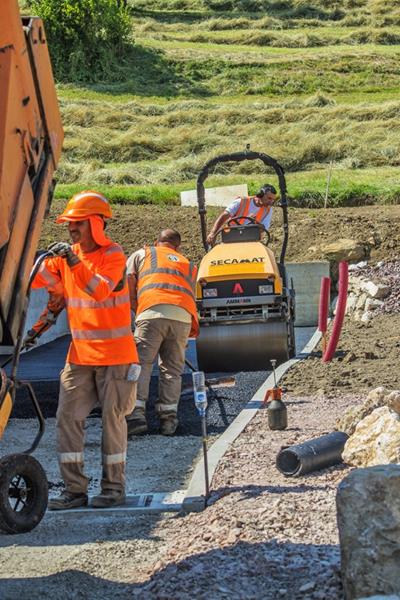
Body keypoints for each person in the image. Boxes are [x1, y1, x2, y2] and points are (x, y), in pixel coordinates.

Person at [32, 190, 140, 510]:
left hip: (116, 358)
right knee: (67, 418)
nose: (71, 230)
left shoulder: (114, 255)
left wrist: (73, 260)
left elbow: (100, 292)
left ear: (95, 223)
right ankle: (74, 490)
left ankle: (113, 488)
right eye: (69, 224)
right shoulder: (66, 258)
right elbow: (38, 279)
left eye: (77, 223)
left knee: (112, 422)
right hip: (80, 356)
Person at [126, 229, 199, 437]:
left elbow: (129, 281)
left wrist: (136, 309)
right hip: (182, 317)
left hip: (151, 311)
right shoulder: (188, 264)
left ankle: (136, 415)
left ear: (157, 242)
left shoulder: (144, 253)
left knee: (142, 364)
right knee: (172, 370)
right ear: (178, 246)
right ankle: (168, 419)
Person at [206, 183, 277, 246]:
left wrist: (255, 223)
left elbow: (264, 228)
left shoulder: (268, 210)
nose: (271, 202)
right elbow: (224, 216)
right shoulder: (241, 202)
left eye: (273, 200)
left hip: (251, 240)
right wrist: (213, 233)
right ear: (260, 195)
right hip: (231, 236)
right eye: (269, 198)